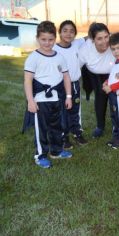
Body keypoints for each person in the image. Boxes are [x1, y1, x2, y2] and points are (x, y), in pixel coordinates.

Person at [24, 21, 73, 168]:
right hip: (40, 100)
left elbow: (66, 77)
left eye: (50, 39)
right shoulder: (33, 57)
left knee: (57, 126)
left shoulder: (59, 57)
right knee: (42, 129)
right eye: (43, 39)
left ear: (55, 38)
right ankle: (41, 155)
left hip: (57, 99)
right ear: (37, 38)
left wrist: (69, 96)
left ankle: (56, 151)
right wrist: (30, 101)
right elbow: (27, 81)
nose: (47, 43)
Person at [79, 22, 119, 138]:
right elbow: (75, 69)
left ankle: (117, 127)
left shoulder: (116, 42)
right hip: (96, 75)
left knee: (116, 101)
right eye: (99, 38)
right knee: (100, 99)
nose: (105, 41)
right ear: (92, 39)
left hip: (113, 75)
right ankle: (100, 126)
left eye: (107, 36)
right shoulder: (85, 49)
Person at [53, 20, 88, 149]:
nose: (68, 33)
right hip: (60, 85)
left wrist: (106, 32)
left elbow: (88, 37)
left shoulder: (76, 44)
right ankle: (63, 136)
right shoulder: (54, 48)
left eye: (72, 31)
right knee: (62, 111)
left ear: (75, 34)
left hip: (74, 84)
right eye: (65, 30)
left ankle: (77, 132)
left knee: (75, 110)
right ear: (60, 32)